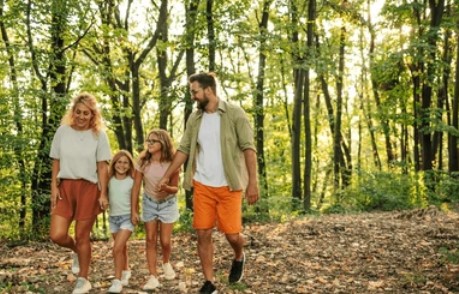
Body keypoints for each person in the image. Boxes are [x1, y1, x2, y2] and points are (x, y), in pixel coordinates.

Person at [157, 72, 259, 294]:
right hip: (202, 184)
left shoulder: (234, 114)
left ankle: (239, 255)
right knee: (202, 233)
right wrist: (167, 174)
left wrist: (253, 183)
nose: (193, 96)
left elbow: (249, 149)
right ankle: (209, 282)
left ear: (208, 90)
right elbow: (184, 149)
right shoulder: (195, 118)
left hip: (229, 185)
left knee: (232, 235)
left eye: (195, 91)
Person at [49, 92, 112, 294]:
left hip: (89, 187)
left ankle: (83, 279)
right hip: (66, 186)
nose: (82, 117)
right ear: (73, 112)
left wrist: (103, 194)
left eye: (87, 113)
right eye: (78, 112)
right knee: (57, 234)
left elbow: (102, 167)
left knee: (83, 235)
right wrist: (54, 187)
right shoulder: (62, 131)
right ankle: (76, 250)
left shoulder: (99, 135)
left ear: (93, 115)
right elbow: (56, 161)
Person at [131, 129, 181, 291]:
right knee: (150, 239)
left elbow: (175, 189)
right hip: (149, 203)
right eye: (148, 140)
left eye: (154, 141)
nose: (149, 143)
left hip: (168, 203)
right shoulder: (143, 161)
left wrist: (166, 187)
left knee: (165, 241)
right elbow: (136, 187)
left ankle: (166, 262)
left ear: (163, 144)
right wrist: (134, 210)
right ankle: (153, 276)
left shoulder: (172, 162)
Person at [107, 150, 135, 293]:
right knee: (122, 248)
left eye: (125, 162)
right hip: (113, 219)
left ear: (130, 165)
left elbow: (135, 200)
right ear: (114, 163)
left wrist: (135, 214)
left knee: (117, 248)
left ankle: (117, 281)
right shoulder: (109, 180)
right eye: (119, 162)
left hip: (127, 218)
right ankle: (126, 270)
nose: (122, 165)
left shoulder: (132, 182)